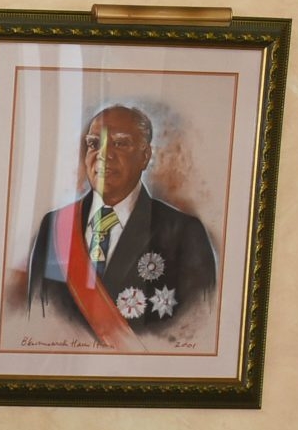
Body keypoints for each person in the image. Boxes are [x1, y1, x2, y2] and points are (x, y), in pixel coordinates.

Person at [24, 104, 218, 350]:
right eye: (94, 144)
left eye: (120, 143)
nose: (104, 154)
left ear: (145, 156)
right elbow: (36, 319)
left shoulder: (184, 233)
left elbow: (197, 331)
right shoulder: (55, 226)